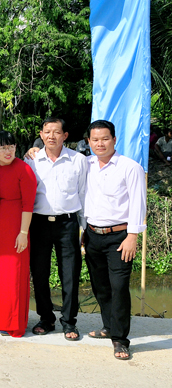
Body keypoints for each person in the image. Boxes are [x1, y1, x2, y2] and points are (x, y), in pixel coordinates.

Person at [83, 120, 146, 360]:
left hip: (120, 237)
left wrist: (133, 235)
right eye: (95, 139)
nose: (100, 143)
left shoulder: (130, 167)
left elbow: (138, 202)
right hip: (92, 235)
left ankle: (120, 340)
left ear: (114, 140)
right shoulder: (86, 164)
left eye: (105, 138)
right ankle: (109, 326)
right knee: (100, 286)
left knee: (119, 287)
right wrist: (34, 150)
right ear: (89, 141)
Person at [24, 118, 87, 341]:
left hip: (67, 223)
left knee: (70, 274)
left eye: (56, 132)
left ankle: (69, 321)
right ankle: (46, 318)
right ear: (41, 135)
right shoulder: (31, 160)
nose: (51, 136)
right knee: (39, 273)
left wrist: (84, 228)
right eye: (47, 132)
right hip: (38, 223)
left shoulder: (78, 160)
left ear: (65, 135)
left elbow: (83, 195)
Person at [0, 131, 36, 337]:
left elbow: (28, 205)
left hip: (16, 227)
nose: (7, 151)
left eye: (11, 147)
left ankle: (12, 322)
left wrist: (23, 232)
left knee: (13, 275)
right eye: (2, 147)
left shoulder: (24, 169)